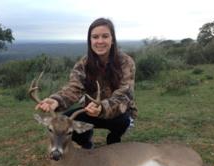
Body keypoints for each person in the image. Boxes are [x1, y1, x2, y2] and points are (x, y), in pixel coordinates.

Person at [35, 17, 137, 149]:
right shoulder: (83, 64)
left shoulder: (126, 62)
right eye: (95, 37)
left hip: (116, 112)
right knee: (64, 122)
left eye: (105, 36)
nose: (100, 41)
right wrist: (57, 100)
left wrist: (103, 107)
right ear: (90, 41)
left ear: (112, 40)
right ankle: (86, 143)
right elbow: (74, 88)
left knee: (124, 120)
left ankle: (114, 140)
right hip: (90, 111)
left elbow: (124, 94)